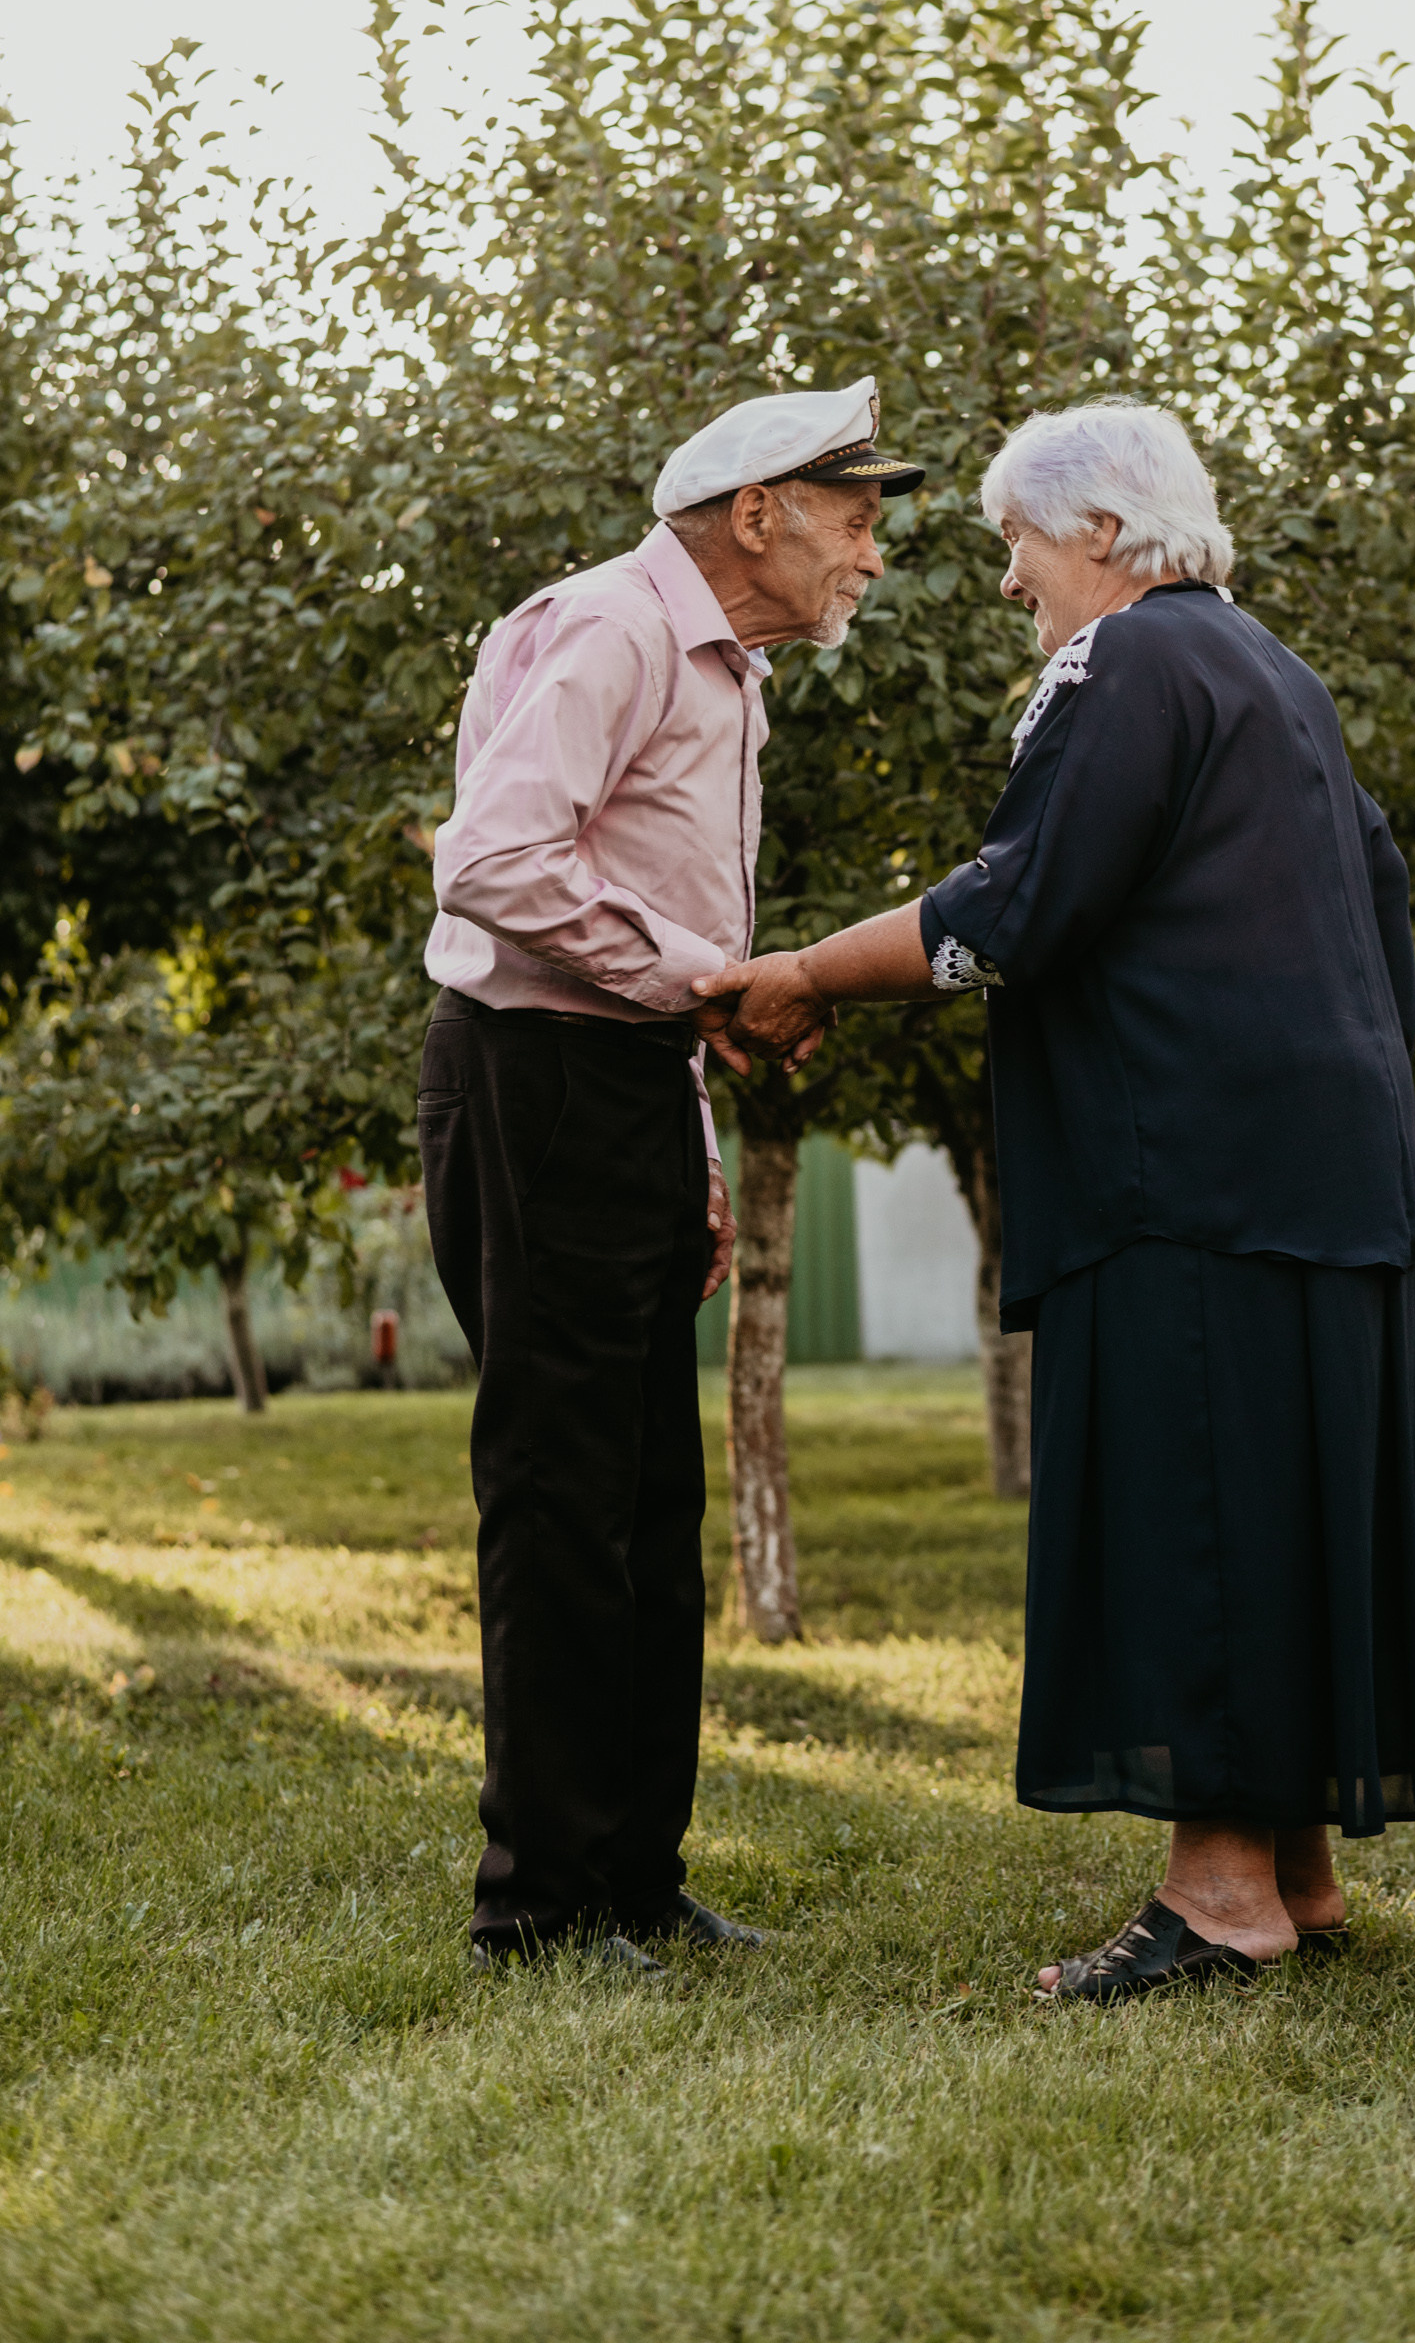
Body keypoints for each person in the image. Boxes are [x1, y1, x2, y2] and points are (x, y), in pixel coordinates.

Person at [693, 400, 1415, 1999]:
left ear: (1104, 535)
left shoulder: (1127, 661)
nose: (1008, 580)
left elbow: (1021, 899)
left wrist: (806, 973)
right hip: (1326, 1169)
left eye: (1018, 540)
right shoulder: (1274, 672)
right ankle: (1300, 1873)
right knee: (1289, 1502)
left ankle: (1222, 1900)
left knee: (1199, 1508)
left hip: (1185, 1167)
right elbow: (1381, 902)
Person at [419, 377, 924, 1973]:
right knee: (562, 1500)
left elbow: (645, 922)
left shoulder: (724, 667)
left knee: (647, 1504)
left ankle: (634, 1881)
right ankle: (539, 1910)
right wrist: (705, 984)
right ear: (757, 515)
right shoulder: (616, 628)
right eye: (855, 520)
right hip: (540, 1081)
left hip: (625, 1083)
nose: (873, 556)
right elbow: (493, 862)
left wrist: (693, 1143)